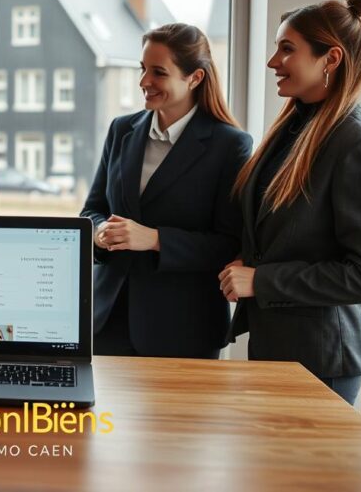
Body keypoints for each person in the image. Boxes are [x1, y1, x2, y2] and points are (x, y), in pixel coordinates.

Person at [218, 0, 361, 405]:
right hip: (276, 349)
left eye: (287, 49)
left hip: (320, 363)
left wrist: (262, 280)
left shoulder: (359, 146)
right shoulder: (294, 128)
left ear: (330, 59)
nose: (272, 62)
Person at [81, 23, 252, 359]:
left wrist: (155, 239)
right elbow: (91, 211)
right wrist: (100, 232)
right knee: (103, 415)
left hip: (183, 328)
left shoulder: (230, 145)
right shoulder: (122, 130)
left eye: (158, 72)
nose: (144, 81)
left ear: (195, 78)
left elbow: (229, 244)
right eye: (143, 69)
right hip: (107, 319)